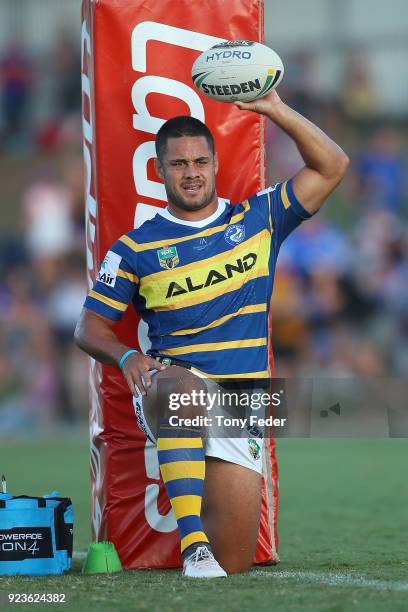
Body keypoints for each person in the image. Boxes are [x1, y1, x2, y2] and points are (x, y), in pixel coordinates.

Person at [74, 90, 349, 577]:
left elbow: (332, 166)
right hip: (172, 385)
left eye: (200, 160)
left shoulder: (259, 218)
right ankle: (192, 545)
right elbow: (88, 327)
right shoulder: (134, 247)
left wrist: (275, 110)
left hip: (243, 402)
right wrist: (126, 358)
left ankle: (210, 554)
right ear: (159, 171)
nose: (192, 171)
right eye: (178, 163)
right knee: (181, 389)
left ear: (216, 162)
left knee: (234, 566)